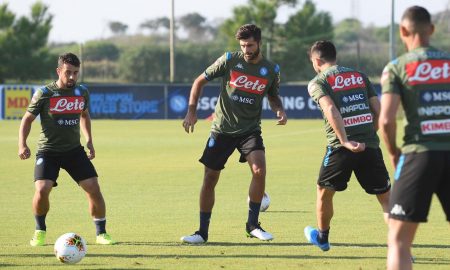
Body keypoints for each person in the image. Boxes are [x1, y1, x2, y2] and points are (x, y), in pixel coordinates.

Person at [180, 24, 287, 244]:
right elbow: (199, 81)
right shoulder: (229, 60)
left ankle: (252, 226)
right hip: (222, 129)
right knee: (210, 178)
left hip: (250, 130)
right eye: (243, 45)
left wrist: (279, 109)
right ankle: (202, 232)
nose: (246, 50)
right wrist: (192, 111)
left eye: (250, 45)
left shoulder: (272, 70)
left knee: (259, 170)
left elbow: (273, 96)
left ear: (259, 43)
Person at [18, 53, 116, 246]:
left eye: (76, 73)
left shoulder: (81, 92)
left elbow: (84, 115)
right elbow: (27, 119)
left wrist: (89, 140)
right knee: (42, 189)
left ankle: (101, 233)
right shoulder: (44, 93)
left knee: (93, 188)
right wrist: (22, 144)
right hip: (48, 151)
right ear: (59, 71)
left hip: (74, 151)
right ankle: (40, 230)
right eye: (68, 72)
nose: (72, 77)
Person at [379, 6, 450, 270]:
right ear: (431, 29)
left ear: (403, 31)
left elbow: (386, 120)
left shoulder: (397, 68)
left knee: (399, 240)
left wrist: (394, 152)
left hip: (418, 154)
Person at [304, 40, 391, 251]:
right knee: (386, 199)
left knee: (324, 191)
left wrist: (345, 141)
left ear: (316, 60)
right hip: (369, 146)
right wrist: (369, 135)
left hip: (340, 148)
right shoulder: (360, 76)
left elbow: (331, 110)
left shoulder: (318, 82)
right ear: (335, 57)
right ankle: (401, 247)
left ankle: (323, 238)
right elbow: (379, 110)